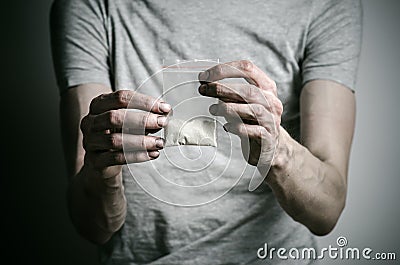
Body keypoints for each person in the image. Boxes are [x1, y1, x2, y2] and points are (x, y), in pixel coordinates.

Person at [50, 0, 362, 264]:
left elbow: (327, 210)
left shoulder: (324, 5)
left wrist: (277, 151)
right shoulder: (90, 5)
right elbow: (91, 224)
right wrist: (102, 173)